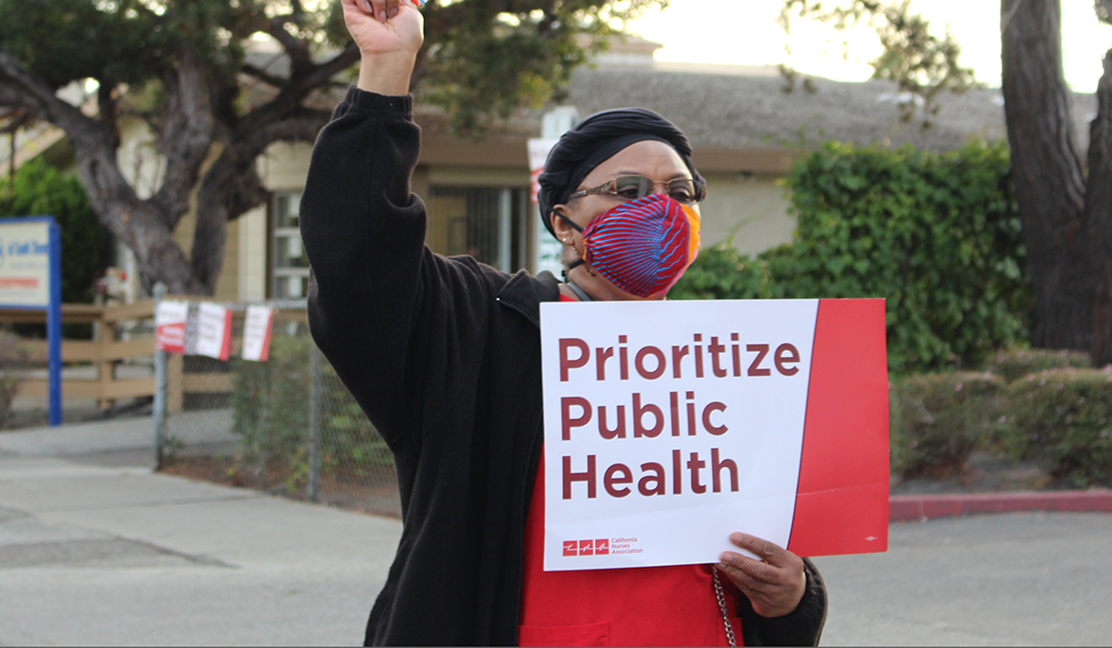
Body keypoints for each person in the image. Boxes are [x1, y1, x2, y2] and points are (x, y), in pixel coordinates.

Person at [300, 0, 828, 645]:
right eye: (628, 190)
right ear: (563, 222)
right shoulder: (478, 330)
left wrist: (794, 595)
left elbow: (766, 546)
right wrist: (387, 69)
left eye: (681, 192)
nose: (660, 208)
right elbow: (359, 256)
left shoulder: (729, 364)